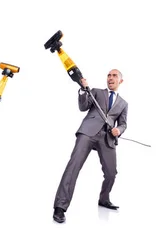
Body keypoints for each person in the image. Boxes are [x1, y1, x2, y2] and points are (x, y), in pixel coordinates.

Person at [52, 69, 128, 223]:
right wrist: (83, 89)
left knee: (111, 173)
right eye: (108, 75)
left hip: (107, 139)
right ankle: (60, 207)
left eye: (114, 76)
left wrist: (118, 130)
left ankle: (104, 199)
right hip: (88, 132)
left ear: (120, 81)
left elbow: (123, 124)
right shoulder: (96, 92)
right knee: (73, 166)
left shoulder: (123, 104)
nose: (110, 78)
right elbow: (83, 106)